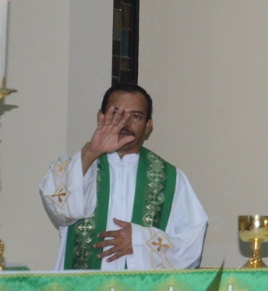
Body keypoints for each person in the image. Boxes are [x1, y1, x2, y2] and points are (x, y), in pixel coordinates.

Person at [40, 84, 208, 270]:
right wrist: (91, 151)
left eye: (136, 116)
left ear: (148, 126)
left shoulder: (171, 179)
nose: (125, 123)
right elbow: (62, 212)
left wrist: (140, 241)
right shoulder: (77, 167)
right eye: (116, 113)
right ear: (100, 117)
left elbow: (191, 249)